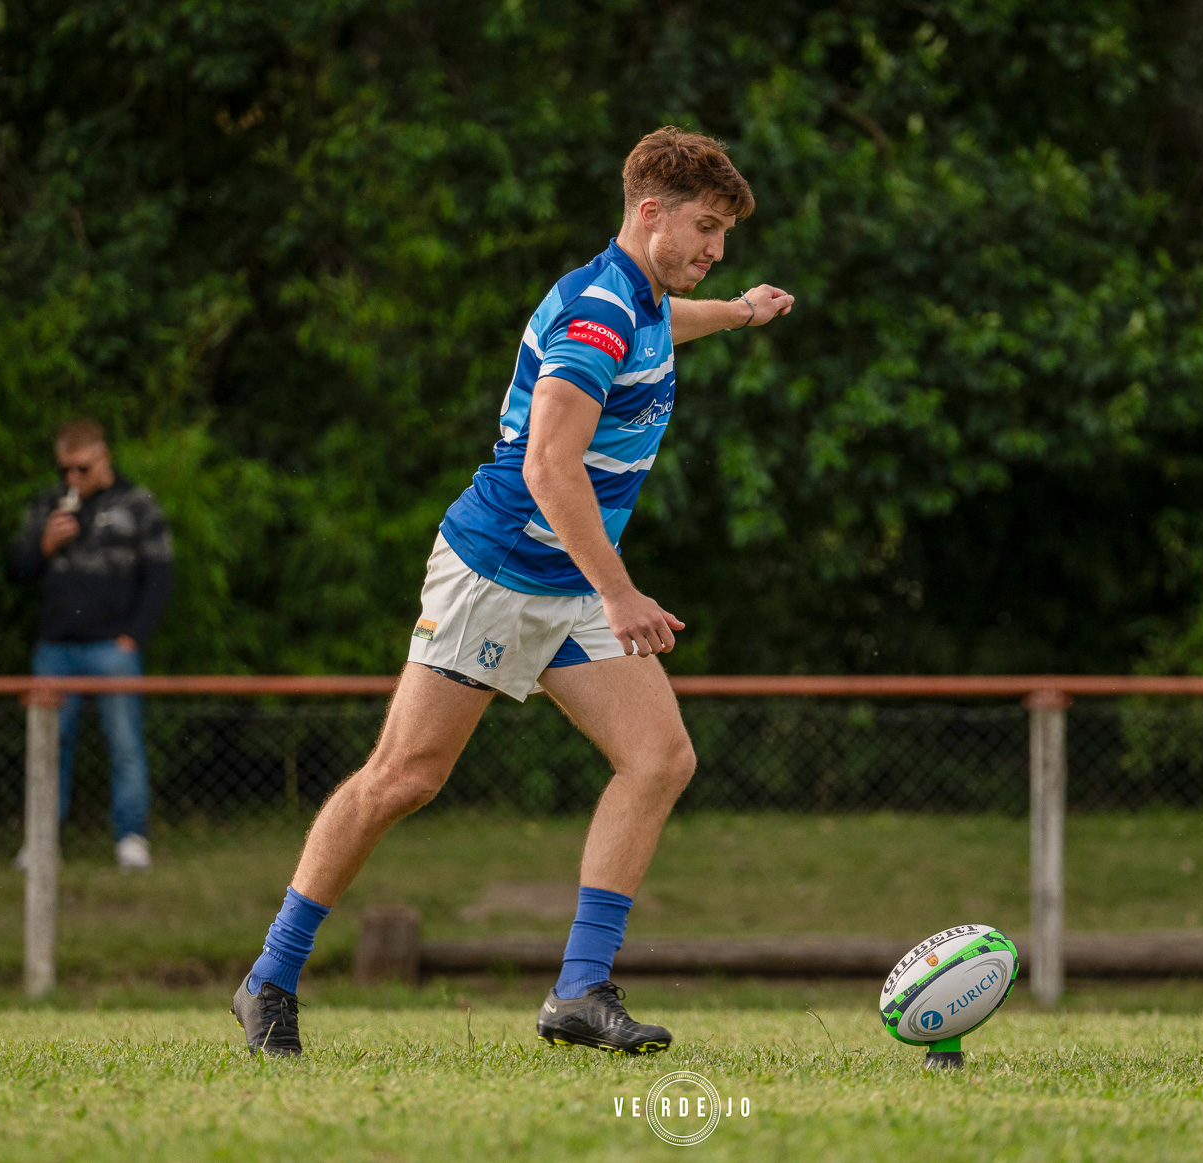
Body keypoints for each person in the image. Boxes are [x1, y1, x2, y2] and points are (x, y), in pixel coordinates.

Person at [231, 128, 795, 1057]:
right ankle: (271, 976)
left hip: (567, 579)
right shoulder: (596, 315)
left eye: (724, 234)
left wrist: (736, 310)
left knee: (659, 758)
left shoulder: (649, 299)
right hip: (497, 571)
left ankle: (580, 990)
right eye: (705, 228)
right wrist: (618, 594)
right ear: (648, 212)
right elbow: (548, 465)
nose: (715, 249)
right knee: (404, 779)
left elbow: (670, 327)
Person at [7, 420, 172, 871]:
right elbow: (14, 570)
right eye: (65, 469)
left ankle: (131, 838)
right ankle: (42, 841)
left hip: (112, 649)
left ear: (103, 458)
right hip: (55, 648)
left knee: (125, 745)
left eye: (81, 468)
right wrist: (44, 545)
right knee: (50, 744)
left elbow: (159, 576)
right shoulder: (48, 504)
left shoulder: (138, 504)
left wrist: (132, 636)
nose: (71, 479)